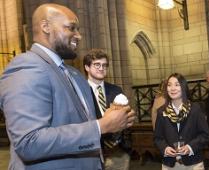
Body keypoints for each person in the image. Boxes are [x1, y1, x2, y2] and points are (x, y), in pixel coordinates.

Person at [0, 3, 135, 170]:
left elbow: (83, 126)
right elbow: (29, 142)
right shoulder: (26, 67)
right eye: (71, 28)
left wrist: (112, 121)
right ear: (45, 26)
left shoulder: (75, 74)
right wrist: (102, 126)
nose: (78, 36)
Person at [83, 49, 131, 170]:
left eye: (104, 65)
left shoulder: (116, 90)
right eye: (97, 64)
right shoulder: (80, 92)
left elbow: (126, 119)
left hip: (118, 152)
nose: (101, 68)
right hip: (92, 152)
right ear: (87, 67)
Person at [154, 73, 209, 170]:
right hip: (169, 165)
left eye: (177, 84)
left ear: (183, 87)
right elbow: (158, 138)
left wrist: (190, 147)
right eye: (169, 85)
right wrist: (165, 148)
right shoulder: (161, 111)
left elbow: (205, 135)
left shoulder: (195, 109)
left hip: (193, 164)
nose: (172, 88)